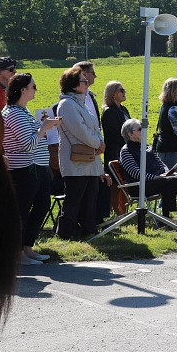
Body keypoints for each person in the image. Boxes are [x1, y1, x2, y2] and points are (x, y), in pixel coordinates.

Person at [1, 73, 61, 265]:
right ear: (23, 90)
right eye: (33, 87)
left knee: (42, 205)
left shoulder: (23, 111)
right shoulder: (13, 113)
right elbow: (28, 144)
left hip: (37, 167)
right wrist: (44, 127)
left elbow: (34, 138)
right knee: (22, 210)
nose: (36, 90)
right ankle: (16, 252)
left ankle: (27, 247)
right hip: (25, 169)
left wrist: (45, 127)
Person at [56, 67, 107, 239]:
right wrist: (97, 143)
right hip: (75, 160)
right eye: (83, 81)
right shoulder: (67, 105)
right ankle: (66, 233)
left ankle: (88, 229)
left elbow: (94, 126)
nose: (87, 84)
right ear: (74, 85)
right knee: (74, 197)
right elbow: (80, 131)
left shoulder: (81, 103)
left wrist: (100, 142)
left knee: (90, 196)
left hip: (90, 158)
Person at [119, 118, 177, 224]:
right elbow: (135, 173)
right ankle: (165, 218)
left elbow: (160, 163)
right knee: (169, 181)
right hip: (141, 185)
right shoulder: (126, 151)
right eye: (140, 128)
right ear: (130, 134)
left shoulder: (147, 147)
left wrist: (168, 172)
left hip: (160, 179)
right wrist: (156, 177)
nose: (144, 130)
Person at [100, 80, 131, 216]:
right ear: (113, 94)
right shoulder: (108, 112)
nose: (124, 92)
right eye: (121, 90)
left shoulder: (123, 109)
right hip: (115, 152)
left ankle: (123, 210)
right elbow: (114, 135)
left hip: (126, 150)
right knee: (115, 183)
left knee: (124, 182)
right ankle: (115, 210)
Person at [154, 77, 177, 173]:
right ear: (173, 90)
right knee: (172, 181)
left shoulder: (165, 106)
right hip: (171, 151)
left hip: (167, 149)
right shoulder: (173, 108)